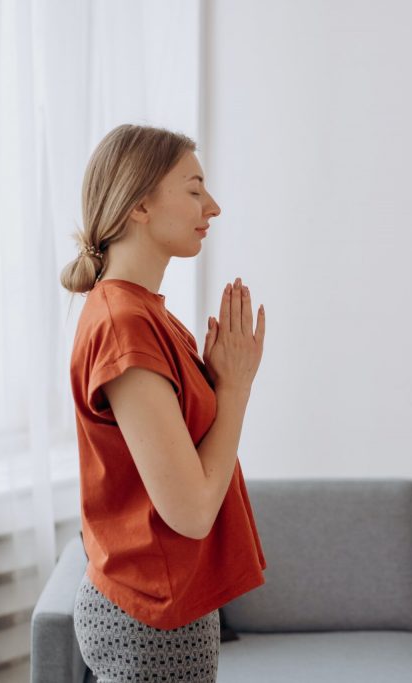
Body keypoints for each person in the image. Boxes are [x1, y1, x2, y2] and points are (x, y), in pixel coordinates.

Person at [60, 124, 267, 682]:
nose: (214, 206)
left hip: (165, 606)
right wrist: (237, 388)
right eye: (195, 189)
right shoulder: (125, 324)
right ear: (140, 204)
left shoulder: (146, 314)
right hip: (151, 615)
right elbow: (193, 511)